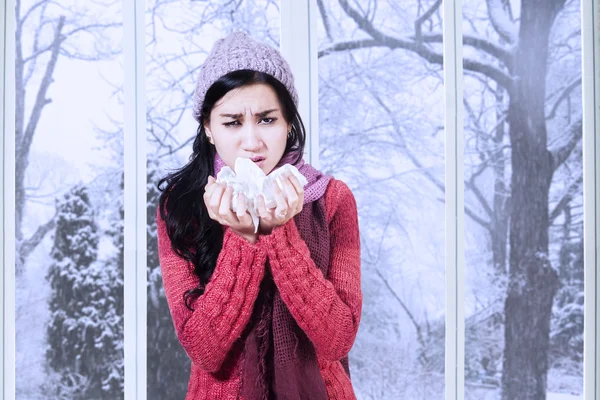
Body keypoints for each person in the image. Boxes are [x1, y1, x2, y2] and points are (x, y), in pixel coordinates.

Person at [156, 31, 362, 400]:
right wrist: (245, 239)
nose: (252, 141)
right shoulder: (181, 205)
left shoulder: (332, 200)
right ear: (207, 128)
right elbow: (204, 349)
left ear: (288, 123)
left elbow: (337, 340)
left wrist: (280, 232)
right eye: (232, 122)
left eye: (266, 120)